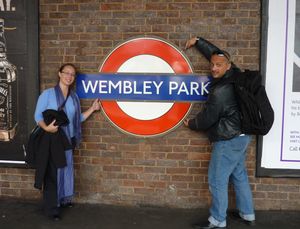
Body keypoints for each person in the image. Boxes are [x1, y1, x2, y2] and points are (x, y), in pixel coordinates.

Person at [184, 37, 255, 229]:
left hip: (227, 139)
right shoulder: (236, 74)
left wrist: (192, 123)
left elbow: (208, 118)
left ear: (228, 66)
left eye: (218, 65)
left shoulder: (221, 90)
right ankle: (247, 214)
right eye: (212, 64)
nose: (214, 68)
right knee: (239, 174)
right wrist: (199, 42)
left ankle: (217, 221)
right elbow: (218, 54)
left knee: (217, 179)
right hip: (242, 136)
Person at [34, 63, 101, 221]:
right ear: (59, 74)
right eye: (66, 73)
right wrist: (46, 128)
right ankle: (52, 208)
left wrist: (92, 109)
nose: (69, 76)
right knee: (52, 174)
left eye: (72, 74)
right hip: (52, 140)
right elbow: (37, 117)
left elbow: (76, 120)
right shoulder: (48, 94)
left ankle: (62, 199)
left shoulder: (74, 97)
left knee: (65, 170)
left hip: (67, 140)